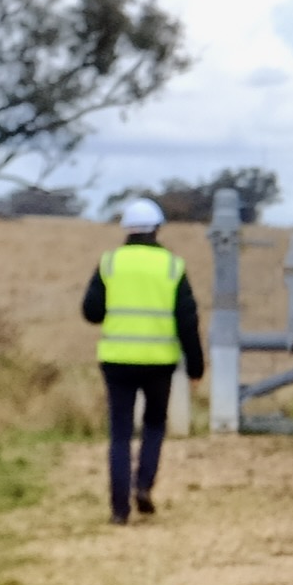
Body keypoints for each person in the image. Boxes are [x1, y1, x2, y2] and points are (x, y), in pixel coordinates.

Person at [81, 201, 204, 525]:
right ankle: (144, 485)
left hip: (117, 360)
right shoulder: (172, 267)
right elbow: (187, 320)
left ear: (126, 229)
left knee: (120, 435)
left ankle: (119, 511)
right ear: (158, 229)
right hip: (159, 362)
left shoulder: (110, 263)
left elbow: (91, 312)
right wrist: (196, 367)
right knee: (153, 426)